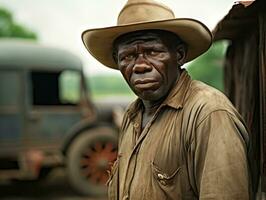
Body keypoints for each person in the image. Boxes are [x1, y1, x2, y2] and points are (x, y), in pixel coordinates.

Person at [82, 0, 252, 199]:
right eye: (127, 56)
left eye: (153, 52)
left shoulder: (209, 114)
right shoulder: (132, 116)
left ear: (179, 55)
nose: (140, 66)